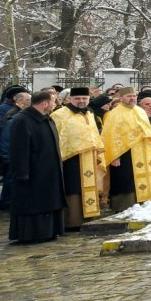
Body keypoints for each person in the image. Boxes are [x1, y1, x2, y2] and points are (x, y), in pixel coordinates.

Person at [7, 90, 66, 243]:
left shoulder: (47, 119)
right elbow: (19, 149)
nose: (55, 104)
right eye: (53, 101)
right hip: (33, 172)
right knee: (34, 203)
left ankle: (49, 231)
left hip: (49, 171)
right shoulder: (23, 120)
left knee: (49, 201)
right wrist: (22, 172)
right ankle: (34, 234)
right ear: (44, 103)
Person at [51, 87, 105, 231]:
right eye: (77, 98)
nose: (81, 101)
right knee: (73, 188)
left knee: (88, 187)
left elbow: (94, 134)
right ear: (69, 99)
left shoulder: (89, 113)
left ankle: (90, 217)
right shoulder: (59, 115)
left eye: (84, 98)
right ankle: (72, 221)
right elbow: (56, 137)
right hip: (69, 158)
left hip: (89, 157)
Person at [101, 86, 151, 212]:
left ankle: (146, 203)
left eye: (134, 96)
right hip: (125, 153)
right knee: (126, 179)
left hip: (144, 152)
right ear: (121, 98)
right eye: (129, 96)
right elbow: (109, 136)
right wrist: (113, 156)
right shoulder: (113, 114)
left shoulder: (140, 111)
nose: (132, 98)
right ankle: (124, 207)